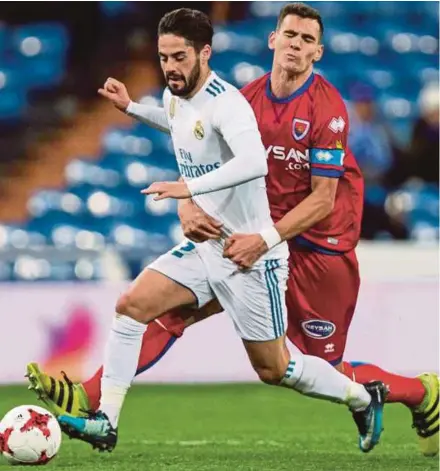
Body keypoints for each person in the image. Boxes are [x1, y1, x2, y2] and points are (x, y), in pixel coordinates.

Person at [30, 7, 387, 454]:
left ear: (204, 53)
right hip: (209, 245)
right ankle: (106, 420)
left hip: (253, 255)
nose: (170, 68)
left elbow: (255, 161)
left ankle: (360, 396)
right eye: (163, 58)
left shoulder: (231, 102)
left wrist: (188, 189)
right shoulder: (177, 96)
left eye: (179, 57)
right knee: (131, 305)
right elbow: (187, 127)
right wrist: (133, 109)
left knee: (276, 369)